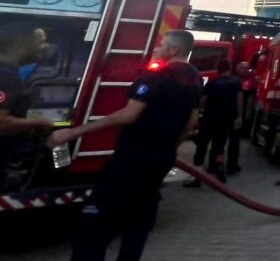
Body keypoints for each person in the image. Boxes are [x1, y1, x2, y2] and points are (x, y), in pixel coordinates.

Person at [48, 30, 202, 261]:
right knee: (138, 225)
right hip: (160, 161)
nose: (156, 49)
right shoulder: (194, 77)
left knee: (93, 228)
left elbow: (129, 115)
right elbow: (192, 121)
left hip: (131, 160)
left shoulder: (156, 75)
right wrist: (168, 147)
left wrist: (72, 132)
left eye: (161, 45)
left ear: (174, 50)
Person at [0, 23, 53, 192]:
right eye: (40, 42)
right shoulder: (6, 76)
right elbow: (1, 124)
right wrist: (38, 122)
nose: (44, 47)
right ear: (19, 45)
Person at [184, 59, 242, 186]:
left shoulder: (212, 82)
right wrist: (239, 116)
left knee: (202, 146)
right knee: (219, 145)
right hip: (227, 118)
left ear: (219, 69)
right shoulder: (236, 82)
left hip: (210, 118)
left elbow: (203, 100)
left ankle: (197, 176)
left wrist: (198, 114)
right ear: (229, 68)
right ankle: (218, 166)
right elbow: (239, 99)